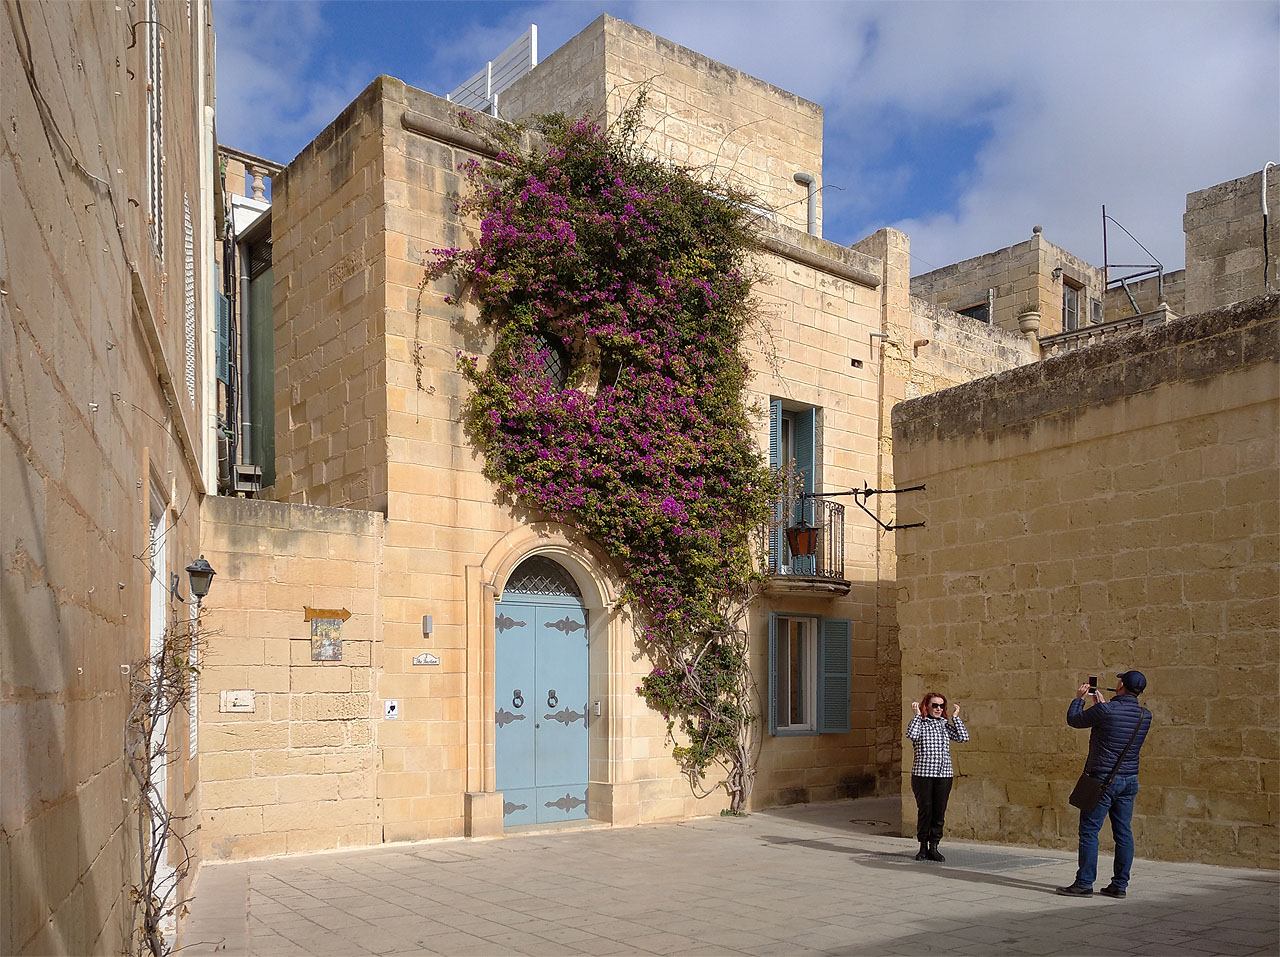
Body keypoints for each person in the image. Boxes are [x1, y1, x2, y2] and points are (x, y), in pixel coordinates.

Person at [1058, 670, 1152, 899]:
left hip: (1102, 779)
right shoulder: (1145, 715)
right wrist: (1102, 707)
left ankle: (1084, 882)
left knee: (1089, 831)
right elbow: (1117, 728)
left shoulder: (1106, 710)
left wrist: (1079, 699)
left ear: (1121, 685)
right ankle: (1119, 885)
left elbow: (1074, 720)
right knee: (1123, 832)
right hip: (1129, 780)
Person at [905, 691, 969, 862]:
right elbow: (911, 735)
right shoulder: (920, 724)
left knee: (939, 812)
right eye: (935, 705)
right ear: (927, 706)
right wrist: (917, 715)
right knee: (925, 810)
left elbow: (963, 738)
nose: (938, 709)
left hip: (944, 775)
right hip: (923, 775)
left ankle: (934, 846)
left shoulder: (945, 725)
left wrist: (955, 718)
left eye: (941, 706)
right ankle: (922, 847)